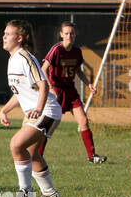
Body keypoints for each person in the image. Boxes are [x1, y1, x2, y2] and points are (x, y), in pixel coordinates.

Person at [0, 20, 62, 197]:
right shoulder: (13, 59)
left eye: (8, 33)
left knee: (16, 144)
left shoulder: (25, 57)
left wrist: (39, 108)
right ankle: (49, 193)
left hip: (47, 111)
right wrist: (5, 110)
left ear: (19, 38)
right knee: (32, 154)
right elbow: (20, 93)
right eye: (4, 33)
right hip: (36, 113)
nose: (4, 36)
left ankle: (25, 193)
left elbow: (43, 85)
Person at [42, 21, 106, 163]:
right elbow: (43, 68)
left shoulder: (77, 51)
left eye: (71, 33)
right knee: (49, 125)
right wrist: (51, 87)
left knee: (83, 120)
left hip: (71, 91)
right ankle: (37, 154)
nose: (69, 36)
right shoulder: (56, 49)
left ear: (75, 35)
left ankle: (92, 156)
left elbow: (78, 71)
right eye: (66, 33)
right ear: (61, 35)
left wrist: (88, 84)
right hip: (57, 91)